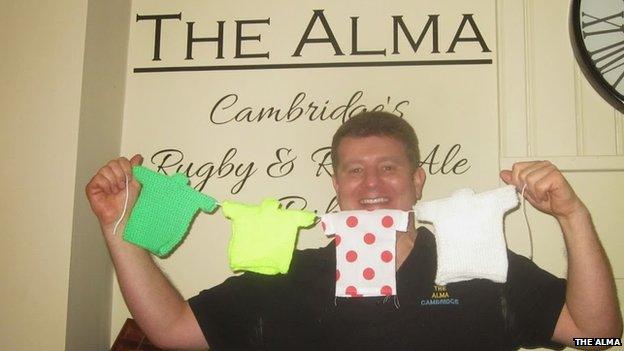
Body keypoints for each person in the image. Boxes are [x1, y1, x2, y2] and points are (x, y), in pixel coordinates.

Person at [86, 111, 622, 350]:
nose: (372, 183)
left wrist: (575, 217)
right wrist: (119, 227)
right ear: (336, 183)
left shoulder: (477, 263)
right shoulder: (288, 273)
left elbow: (601, 337)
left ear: (416, 181)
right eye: (353, 169)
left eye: (388, 167)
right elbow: (172, 331)